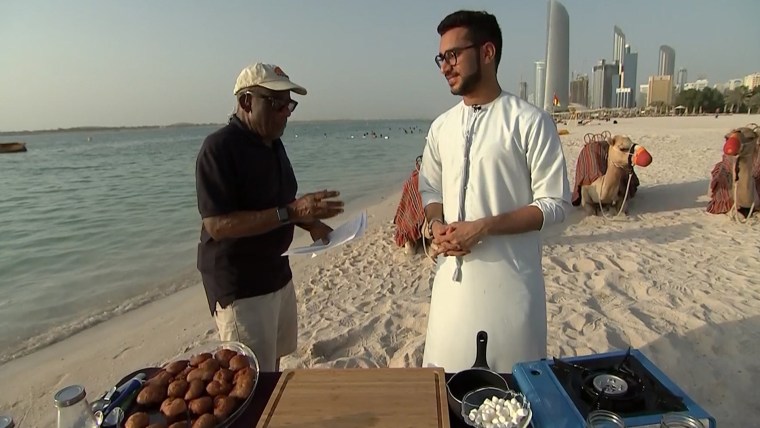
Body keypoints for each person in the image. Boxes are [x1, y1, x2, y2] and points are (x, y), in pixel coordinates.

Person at [418, 11, 571, 373]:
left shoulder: (530, 121)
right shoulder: (441, 128)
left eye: (453, 55)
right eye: (441, 58)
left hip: (512, 288)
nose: (445, 66)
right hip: (450, 289)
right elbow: (430, 188)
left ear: (487, 53)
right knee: (443, 391)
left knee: (515, 396)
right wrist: (436, 224)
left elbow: (555, 205)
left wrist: (483, 227)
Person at [195, 62, 344, 372]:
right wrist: (292, 212)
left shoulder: (273, 144)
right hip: (242, 286)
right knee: (249, 377)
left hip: (278, 272)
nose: (285, 113)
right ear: (246, 102)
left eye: (289, 104)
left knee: (273, 364)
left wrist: (311, 222)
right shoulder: (219, 149)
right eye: (276, 103)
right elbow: (217, 225)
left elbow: (281, 202)